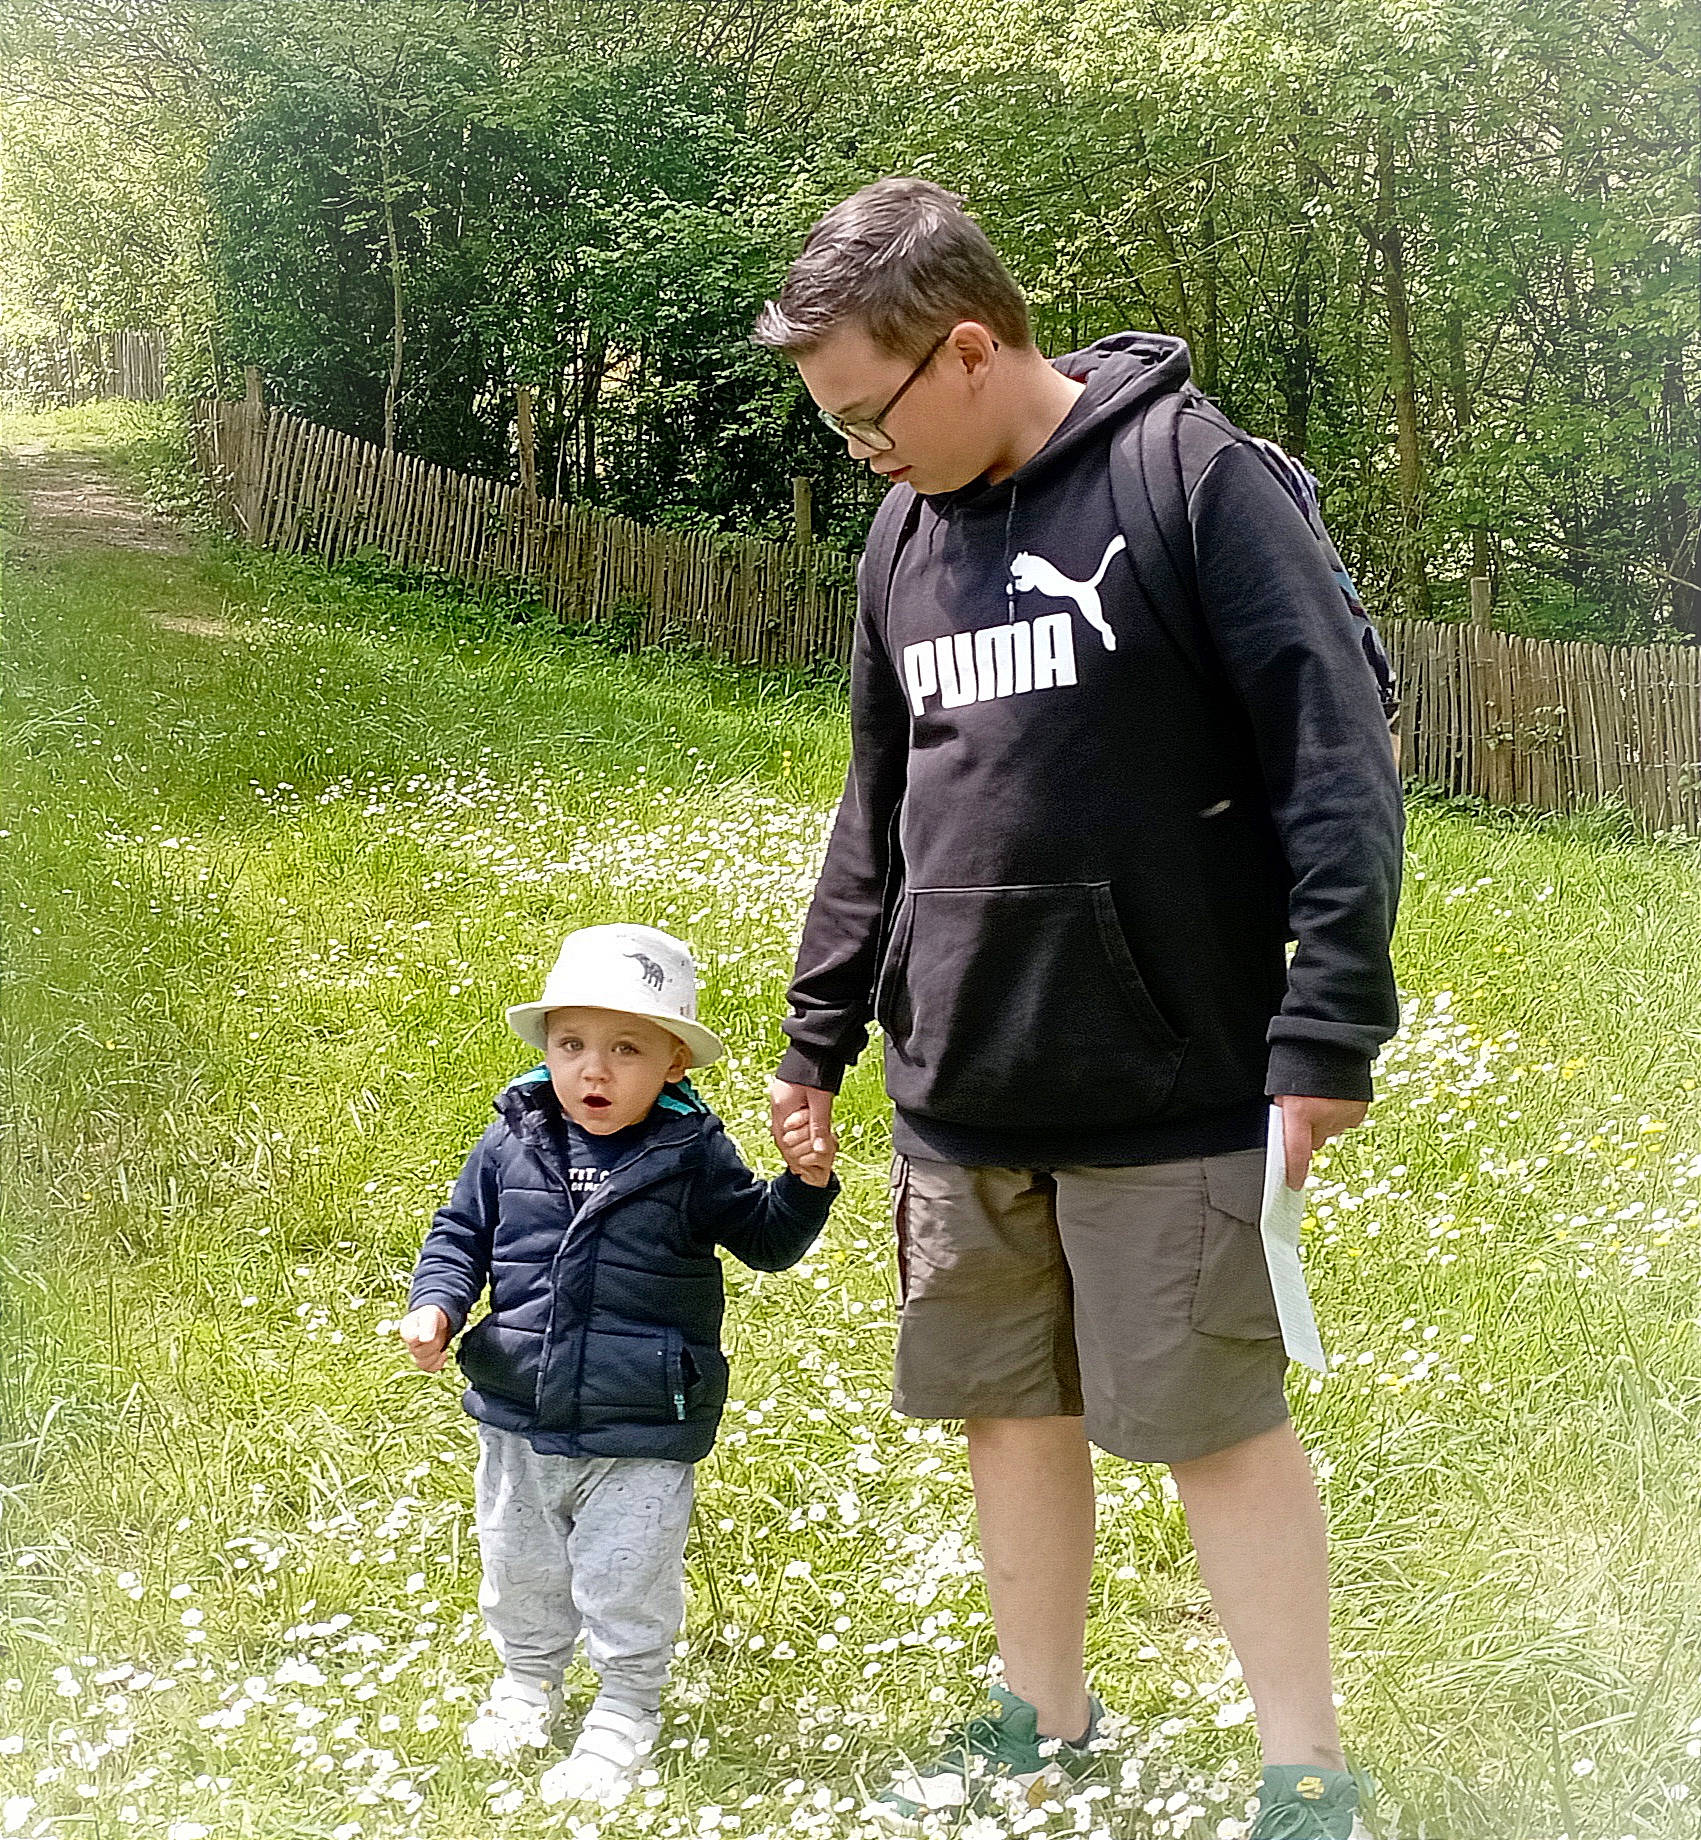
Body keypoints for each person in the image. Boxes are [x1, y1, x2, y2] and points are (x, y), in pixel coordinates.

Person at [754, 178, 1402, 1839]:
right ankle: (1041, 1717)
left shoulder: (1192, 480)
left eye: (864, 417)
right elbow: (877, 805)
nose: (861, 457)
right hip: (965, 1077)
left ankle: (1303, 1764)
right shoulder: (903, 535)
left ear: (966, 348)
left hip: (1170, 1077)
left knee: (1213, 1423)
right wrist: (819, 1030)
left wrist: (1325, 1030)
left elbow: (1332, 754)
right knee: (1004, 1408)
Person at [400, 924, 837, 1806]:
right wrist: (438, 1302)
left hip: (643, 1418)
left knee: (625, 1574)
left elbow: (764, 1241)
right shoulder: (510, 1142)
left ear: (676, 1062)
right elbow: (460, 1234)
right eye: (571, 1046)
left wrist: (803, 1187)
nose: (592, 1071)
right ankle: (529, 1681)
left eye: (625, 1049)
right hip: (519, 1406)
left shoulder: (692, 1156)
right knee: (517, 1563)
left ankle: (627, 1707)